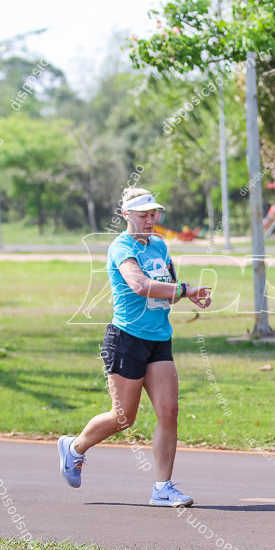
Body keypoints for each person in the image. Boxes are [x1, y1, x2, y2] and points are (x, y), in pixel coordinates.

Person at [57, 188, 212, 507]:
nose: (151, 220)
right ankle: (74, 448)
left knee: (169, 412)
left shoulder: (159, 244)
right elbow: (139, 285)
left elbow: (168, 284)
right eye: (143, 215)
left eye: (154, 214)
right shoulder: (121, 247)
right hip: (126, 338)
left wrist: (187, 293)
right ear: (127, 215)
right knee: (122, 417)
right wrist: (184, 289)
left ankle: (162, 487)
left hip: (159, 339)